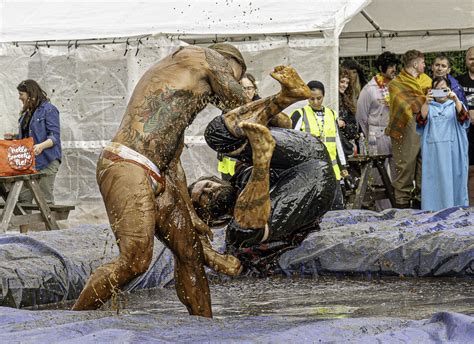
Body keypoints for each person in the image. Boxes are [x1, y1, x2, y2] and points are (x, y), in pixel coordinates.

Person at [72, 41, 312, 318]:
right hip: (126, 162)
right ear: (227, 62)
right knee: (135, 261)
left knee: (190, 256)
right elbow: (239, 109)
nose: (229, 83)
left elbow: (174, 164)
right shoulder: (206, 56)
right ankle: (70, 322)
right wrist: (285, 102)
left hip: (157, 173)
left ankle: (204, 327)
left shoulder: (184, 93)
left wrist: (191, 214)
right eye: (233, 76)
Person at [190, 123, 336, 275]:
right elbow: (234, 268)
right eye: (202, 197)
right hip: (316, 183)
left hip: (310, 154)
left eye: (208, 185)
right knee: (241, 229)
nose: (209, 191)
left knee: (216, 134)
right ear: (209, 218)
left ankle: (262, 101)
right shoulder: (236, 239)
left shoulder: (242, 174)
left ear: (217, 181)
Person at [289, 80, 347, 209]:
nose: (315, 102)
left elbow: (337, 142)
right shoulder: (300, 114)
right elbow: (292, 142)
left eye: (319, 98)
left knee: (337, 206)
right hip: (310, 170)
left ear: (324, 96)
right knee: (313, 207)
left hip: (332, 169)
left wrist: (343, 165)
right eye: (311, 99)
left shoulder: (331, 114)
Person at [385, 50, 432, 209]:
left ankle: (420, 203)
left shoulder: (427, 81)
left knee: (423, 167)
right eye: (423, 62)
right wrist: (426, 99)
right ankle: (402, 207)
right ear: (415, 64)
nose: (425, 65)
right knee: (405, 167)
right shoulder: (396, 83)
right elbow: (405, 106)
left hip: (425, 127)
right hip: (406, 129)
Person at [4, 80, 62, 206]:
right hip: (28, 163)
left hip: (47, 160)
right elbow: (27, 137)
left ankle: (50, 226)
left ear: (30, 93)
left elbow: (54, 137)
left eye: (21, 94)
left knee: (45, 201)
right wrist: (14, 137)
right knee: (23, 200)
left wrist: (41, 146)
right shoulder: (27, 112)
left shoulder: (49, 110)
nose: (19, 97)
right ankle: (25, 226)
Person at [416, 76, 469, 211]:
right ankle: (432, 213)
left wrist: (456, 99)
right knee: (433, 183)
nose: (440, 92)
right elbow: (420, 121)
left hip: (453, 154)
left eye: (443, 89)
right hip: (434, 156)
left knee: (455, 183)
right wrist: (426, 103)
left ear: (450, 89)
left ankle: (457, 213)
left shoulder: (455, 105)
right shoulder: (428, 106)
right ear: (431, 91)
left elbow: (464, 118)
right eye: (437, 89)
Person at [356, 51, 400, 209]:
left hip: (395, 133)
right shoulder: (369, 89)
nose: (394, 69)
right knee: (379, 173)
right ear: (381, 68)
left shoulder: (397, 85)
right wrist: (370, 135)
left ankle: (397, 204)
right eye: (390, 66)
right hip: (377, 133)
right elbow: (361, 116)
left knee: (397, 170)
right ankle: (383, 208)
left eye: (395, 66)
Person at [217, 73, 261, 180]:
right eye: (242, 88)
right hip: (228, 164)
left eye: (249, 88)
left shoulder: (261, 109)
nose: (245, 92)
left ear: (255, 90)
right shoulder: (228, 108)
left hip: (251, 165)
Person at [458, 46, 474, 205]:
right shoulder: (458, 81)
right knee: (467, 169)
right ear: (466, 61)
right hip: (465, 133)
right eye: (471, 58)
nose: (473, 61)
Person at [338, 68, 358, 157]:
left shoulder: (346, 101)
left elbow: (354, 128)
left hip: (345, 146)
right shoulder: (331, 99)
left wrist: (344, 124)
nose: (344, 85)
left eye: (347, 83)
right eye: (342, 82)